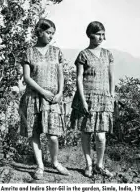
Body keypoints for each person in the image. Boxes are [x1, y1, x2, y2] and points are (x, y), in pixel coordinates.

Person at [19, 18, 70, 180]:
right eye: (48, 33)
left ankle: (54, 162)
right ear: (39, 32)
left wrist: (60, 92)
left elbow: (60, 75)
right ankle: (40, 166)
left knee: (52, 136)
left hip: (52, 99)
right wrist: (42, 92)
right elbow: (27, 78)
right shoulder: (29, 52)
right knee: (34, 133)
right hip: (33, 97)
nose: (50, 36)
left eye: (52, 34)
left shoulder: (57, 51)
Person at [70, 21, 114, 178]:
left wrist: (111, 94)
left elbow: (111, 76)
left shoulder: (108, 54)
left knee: (101, 135)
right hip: (87, 97)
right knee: (87, 133)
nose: (101, 37)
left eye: (103, 34)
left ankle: (99, 165)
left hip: (103, 98)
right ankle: (88, 164)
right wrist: (82, 100)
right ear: (90, 35)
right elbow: (79, 79)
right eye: (98, 34)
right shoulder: (83, 54)